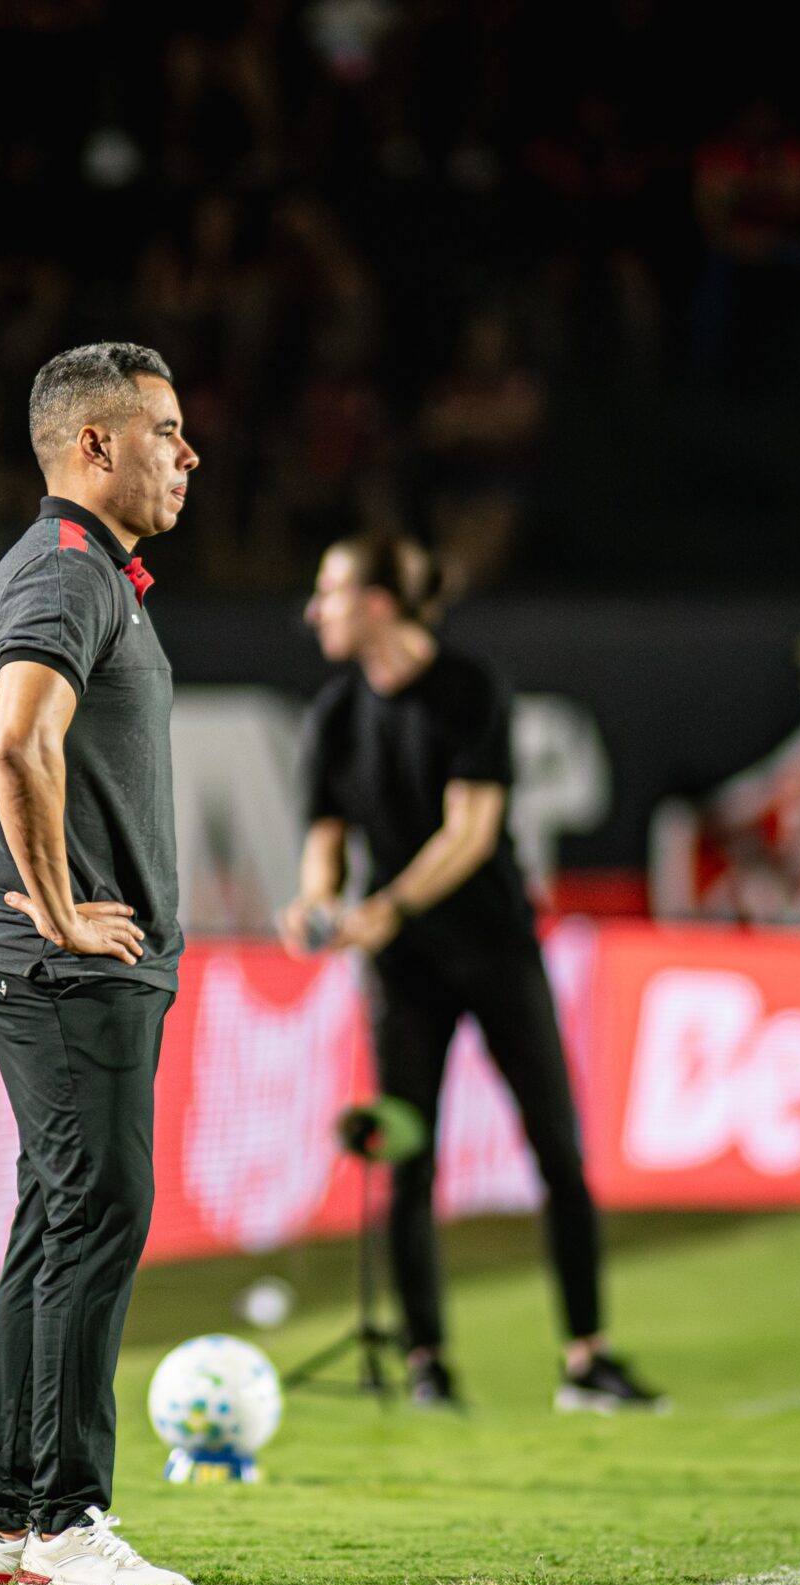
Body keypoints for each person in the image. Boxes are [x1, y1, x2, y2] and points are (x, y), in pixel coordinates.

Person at [282, 533, 663, 1416]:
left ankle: (587, 1361)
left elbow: (472, 830)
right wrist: (315, 906)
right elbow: (324, 845)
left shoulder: (468, 690)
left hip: (493, 951)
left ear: (377, 605)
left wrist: (390, 907)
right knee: (409, 1162)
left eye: (329, 593)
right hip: (403, 973)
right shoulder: (334, 716)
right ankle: (427, 1367)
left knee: (557, 1153)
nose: (314, 611)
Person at [0, 342, 199, 1585]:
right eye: (163, 428)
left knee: (57, 1219)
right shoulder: (68, 576)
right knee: (97, 1213)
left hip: (49, 964)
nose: (187, 452)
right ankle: (61, 1519)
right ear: (93, 447)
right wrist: (56, 909)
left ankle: (7, 1520)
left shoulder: (80, 571)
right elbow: (19, 738)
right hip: (62, 969)